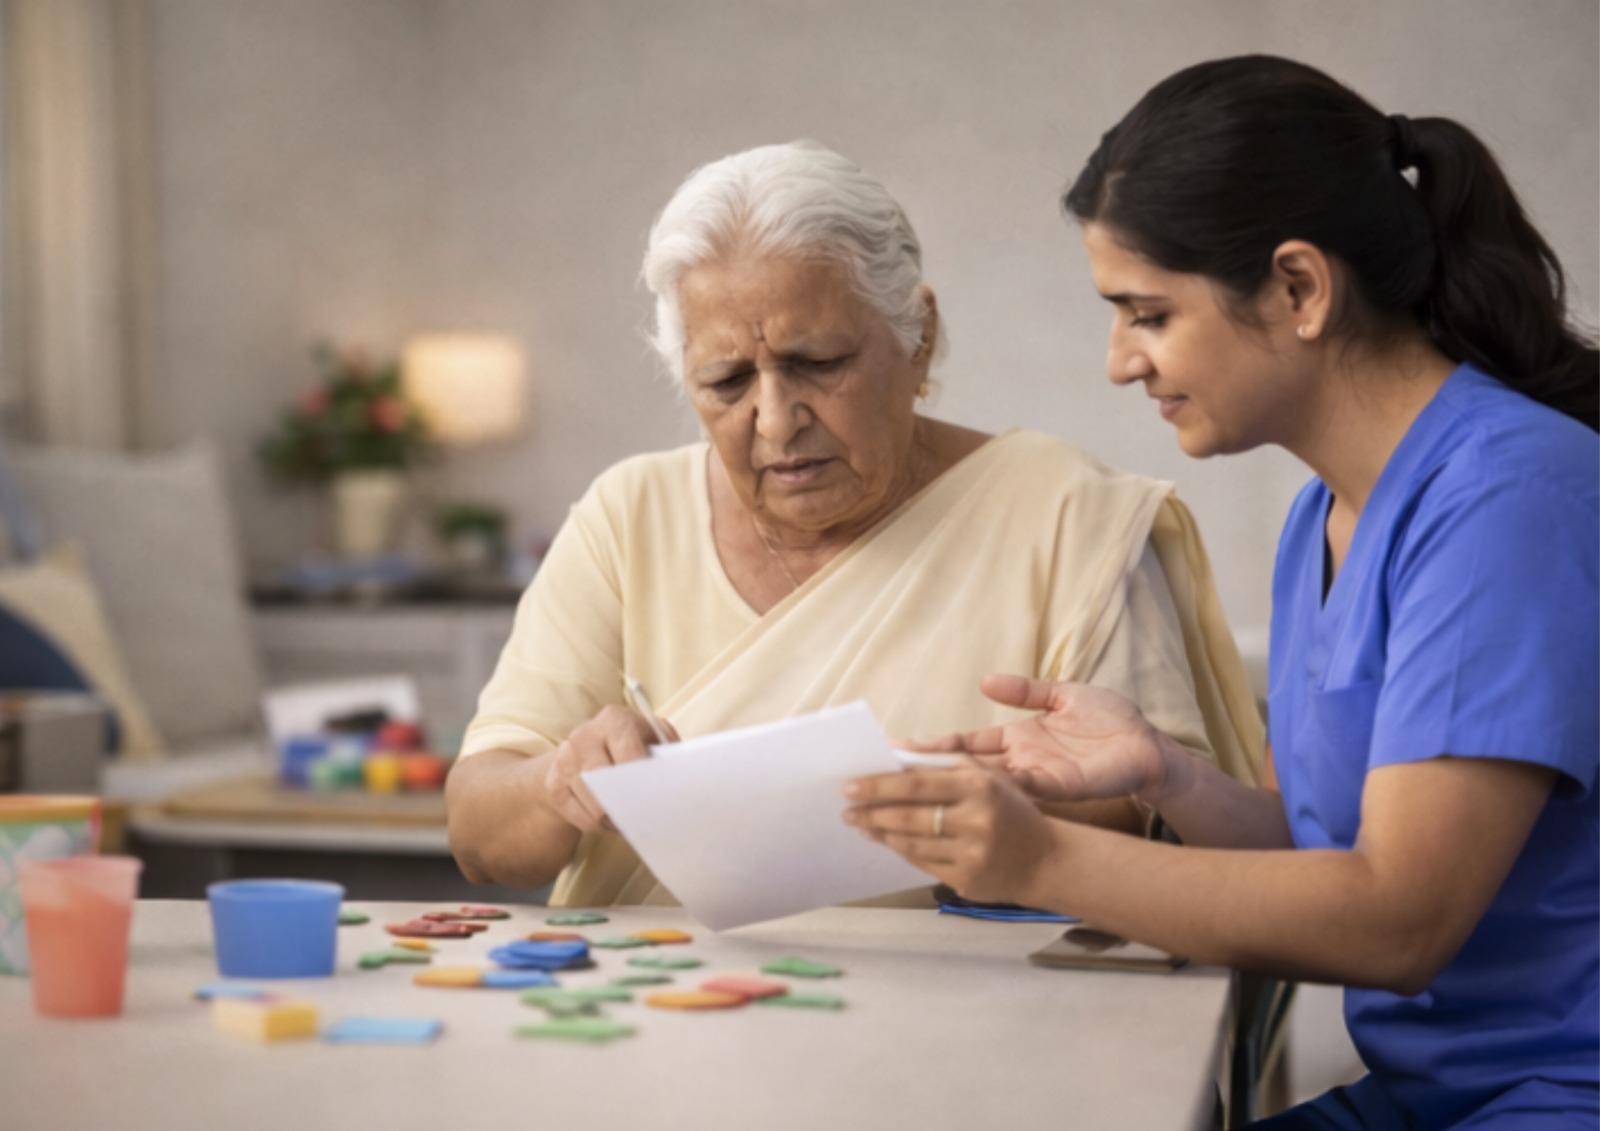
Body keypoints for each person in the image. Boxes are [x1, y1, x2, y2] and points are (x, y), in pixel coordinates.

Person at [845, 56, 1598, 1130]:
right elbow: (1311, 853)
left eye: (1146, 313)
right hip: (1430, 1099)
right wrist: (1166, 775)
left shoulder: (1507, 498)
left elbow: (1396, 920)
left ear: (1299, 288)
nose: (1120, 362)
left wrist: (1040, 859)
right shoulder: (1321, 517)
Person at [447, 140, 1265, 907]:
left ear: (920, 338)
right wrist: (558, 780)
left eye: (818, 363)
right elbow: (479, 835)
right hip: (660, 1002)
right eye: (727, 381)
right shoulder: (627, 517)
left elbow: (1174, 828)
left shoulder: (1066, 511)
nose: (776, 420)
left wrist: (988, 811)